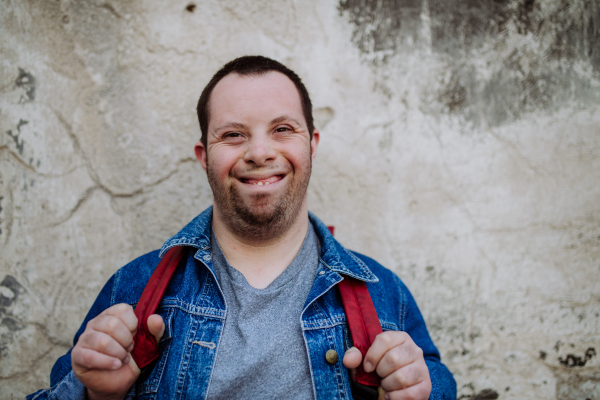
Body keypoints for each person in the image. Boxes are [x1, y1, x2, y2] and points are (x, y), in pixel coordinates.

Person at [28, 56, 456, 400]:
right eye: (233, 135)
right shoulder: (133, 291)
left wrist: (422, 390)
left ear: (312, 145)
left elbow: (438, 382)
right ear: (203, 156)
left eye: (283, 129)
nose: (259, 151)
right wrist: (96, 396)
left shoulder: (384, 294)